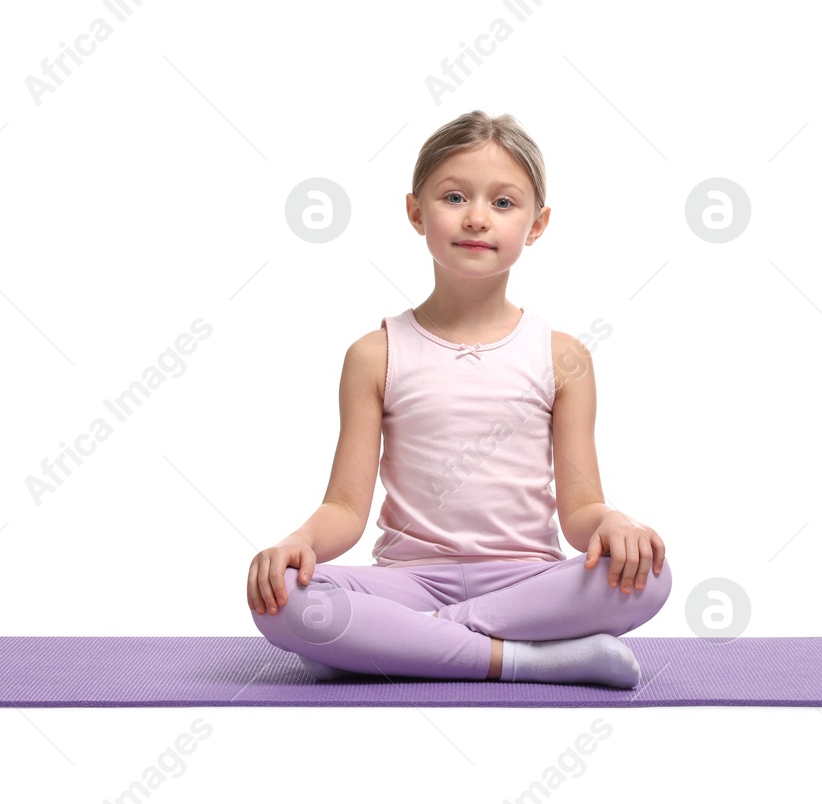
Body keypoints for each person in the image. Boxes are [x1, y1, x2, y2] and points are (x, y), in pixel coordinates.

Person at [248, 110, 671, 689]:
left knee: (650, 576)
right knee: (283, 601)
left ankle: (403, 642)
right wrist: (296, 543)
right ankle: (529, 661)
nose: (477, 218)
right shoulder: (376, 354)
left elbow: (580, 512)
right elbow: (346, 508)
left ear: (537, 223)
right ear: (415, 212)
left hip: (527, 585)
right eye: (453, 197)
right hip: (409, 579)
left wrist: (615, 522)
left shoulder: (563, 355)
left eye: (503, 203)